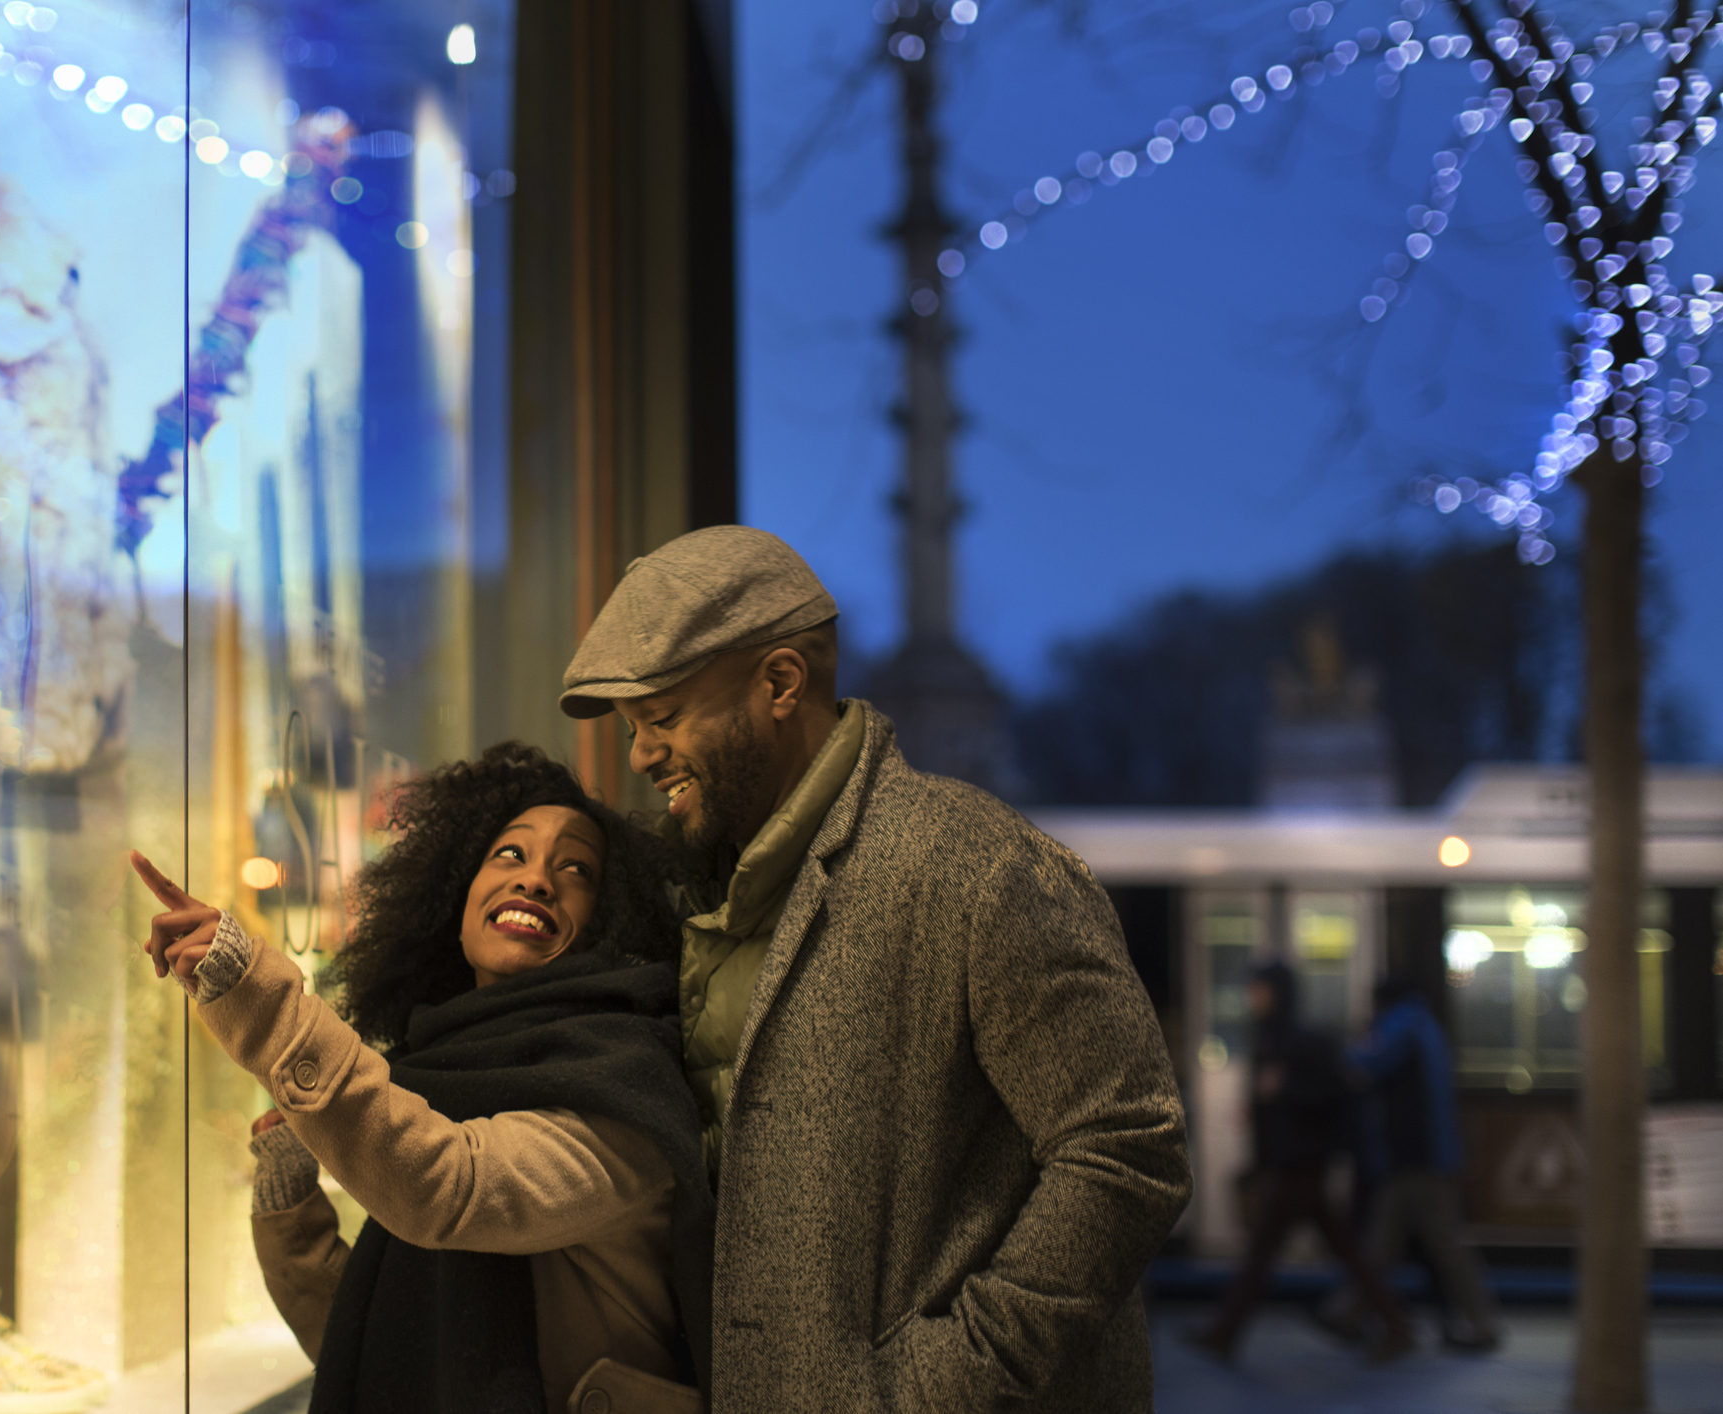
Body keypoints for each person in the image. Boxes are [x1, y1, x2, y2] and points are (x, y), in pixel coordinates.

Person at [557, 525, 1192, 1412]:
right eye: (631, 727)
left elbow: (1128, 1151)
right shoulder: (686, 896)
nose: (639, 755)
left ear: (779, 683)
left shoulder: (975, 866)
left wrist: (941, 1386)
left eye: (661, 718)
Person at [131, 743, 711, 1414]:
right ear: (453, 900)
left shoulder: (624, 1083)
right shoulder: (432, 1065)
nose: (536, 880)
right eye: (509, 854)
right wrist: (292, 1198)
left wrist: (253, 995)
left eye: (574, 868)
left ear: (609, 920)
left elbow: (451, 1188)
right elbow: (372, 1344)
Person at [1188, 962, 1414, 1363]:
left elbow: (1337, 1091)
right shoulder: (1271, 1038)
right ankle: (1396, 1325)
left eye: (1260, 990)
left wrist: (1286, 1089)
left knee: (1267, 1252)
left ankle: (1225, 1333)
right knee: (1338, 1250)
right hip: (1291, 1164)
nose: (1253, 998)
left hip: (1304, 1165)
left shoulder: (1303, 1041)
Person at [1319, 978, 1501, 1352]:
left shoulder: (1402, 1027)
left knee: (1434, 1244)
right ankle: (1349, 1312)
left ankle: (1483, 1324)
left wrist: (1333, 1051)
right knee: (1389, 1242)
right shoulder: (1423, 1024)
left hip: (1415, 1160)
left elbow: (1365, 1062)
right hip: (1423, 1157)